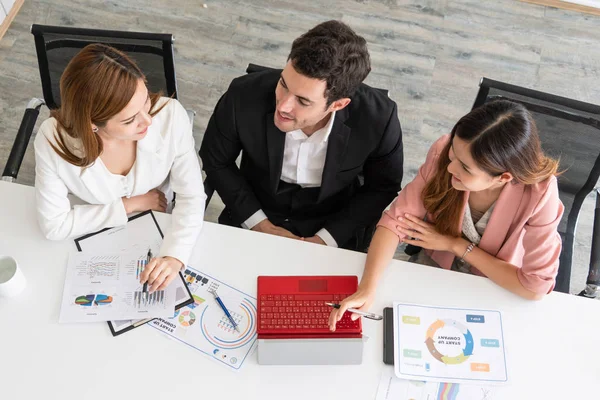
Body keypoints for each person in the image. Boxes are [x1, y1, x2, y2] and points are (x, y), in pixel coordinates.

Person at [330, 100, 565, 329]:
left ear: (503, 177)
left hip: (496, 287)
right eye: (453, 154)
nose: (450, 168)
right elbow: (394, 222)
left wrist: (456, 245)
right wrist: (367, 288)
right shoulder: (443, 151)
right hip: (433, 271)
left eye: (465, 168)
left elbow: (534, 288)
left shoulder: (540, 193)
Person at [200, 20, 403, 250]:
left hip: (332, 221)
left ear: (338, 104)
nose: (283, 105)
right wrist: (259, 223)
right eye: (283, 84)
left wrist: (326, 240)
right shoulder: (242, 95)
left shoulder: (379, 119)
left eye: (303, 101)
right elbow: (216, 160)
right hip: (254, 206)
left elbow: (382, 187)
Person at [34, 44, 206, 291]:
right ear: (92, 124)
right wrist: (130, 205)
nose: (147, 120)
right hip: (97, 242)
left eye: (145, 101)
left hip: (160, 224)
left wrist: (174, 256)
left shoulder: (170, 116)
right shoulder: (54, 140)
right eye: (129, 120)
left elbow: (191, 195)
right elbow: (54, 225)